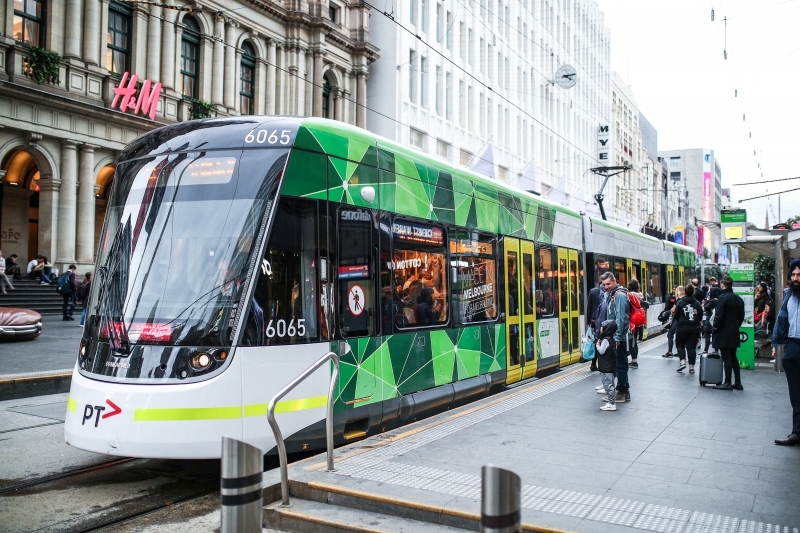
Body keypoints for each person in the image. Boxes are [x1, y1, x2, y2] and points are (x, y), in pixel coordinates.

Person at [773, 259, 800, 446]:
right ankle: (797, 432)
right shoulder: (789, 295)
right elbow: (783, 320)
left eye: (799, 275)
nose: (796, 278)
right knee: (796, 394)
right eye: (793, 275)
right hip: (793, 346)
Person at [600, 272, 630, 403]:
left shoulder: (620, 295)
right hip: (615, 336)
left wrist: (617, 337)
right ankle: (624, 392)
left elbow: (621, 317)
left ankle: (621, 391)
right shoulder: (611, 294)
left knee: (620, 364)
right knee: (619, 363)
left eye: (608, 284)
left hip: (620, 337)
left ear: (614, 281)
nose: (606, 287)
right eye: (604, 284)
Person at [711, 276, 745, 391]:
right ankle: (738, 382)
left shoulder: (723, 298)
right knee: (733, 357)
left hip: (723, 332)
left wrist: (715, 329)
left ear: (722, 285)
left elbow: (718, 316)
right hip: (734, 331)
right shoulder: (739, 299)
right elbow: (741, 316)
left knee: (727, 357)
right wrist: (736, 325)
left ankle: (727, 382)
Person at [674, 284, 703, 374]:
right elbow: (700, 315)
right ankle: (691, 367)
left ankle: (682, 362)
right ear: (693, 292)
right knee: (691, 347)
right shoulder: (697, 303)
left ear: (685, 292)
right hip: (694, 328)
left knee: (680, 345)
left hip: (682, 327)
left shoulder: (680, 302)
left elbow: (676, 315)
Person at [596, 319, 619, 411]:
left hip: (607, 367)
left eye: (603, 327)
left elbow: (601, 351)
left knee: (608, 384)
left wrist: (597, 345)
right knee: (610, 384)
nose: (601, 329)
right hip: (609, 365)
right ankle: (611, 402)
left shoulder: (606, 340)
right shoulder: (611, 339)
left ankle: (612, 403)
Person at [587, 281, 604, 372]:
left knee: (596, 341)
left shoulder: (593, 291)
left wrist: (588, 322)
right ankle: (601, 364)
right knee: (603, 341)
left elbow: (589, 307)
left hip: (594, 321)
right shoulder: (608, 291)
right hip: (604, 321)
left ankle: (594, 364)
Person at [628, 279, 645, 369]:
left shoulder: (631, 295)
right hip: (638, 320)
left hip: (632, 320)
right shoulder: (640, 295)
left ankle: (634, 361)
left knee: (632, 341)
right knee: (635, 341)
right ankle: (635, 360)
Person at [702, 286, 721, 355]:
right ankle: (716, 349)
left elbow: (706, 307)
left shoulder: (713, 301)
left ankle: (706, 349)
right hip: (717, 320)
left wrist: (707, 300)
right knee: (715, 335)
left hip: (710, 319)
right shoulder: (720, 300)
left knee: (707, 334)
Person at [663, 286, 682, 358]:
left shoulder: (678, 300)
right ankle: (679, 352)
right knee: (679, 336)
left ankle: (670, 352)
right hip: (683, 321)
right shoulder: (685, 299)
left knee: (670, 335)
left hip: (677, 319)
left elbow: (673, 310)